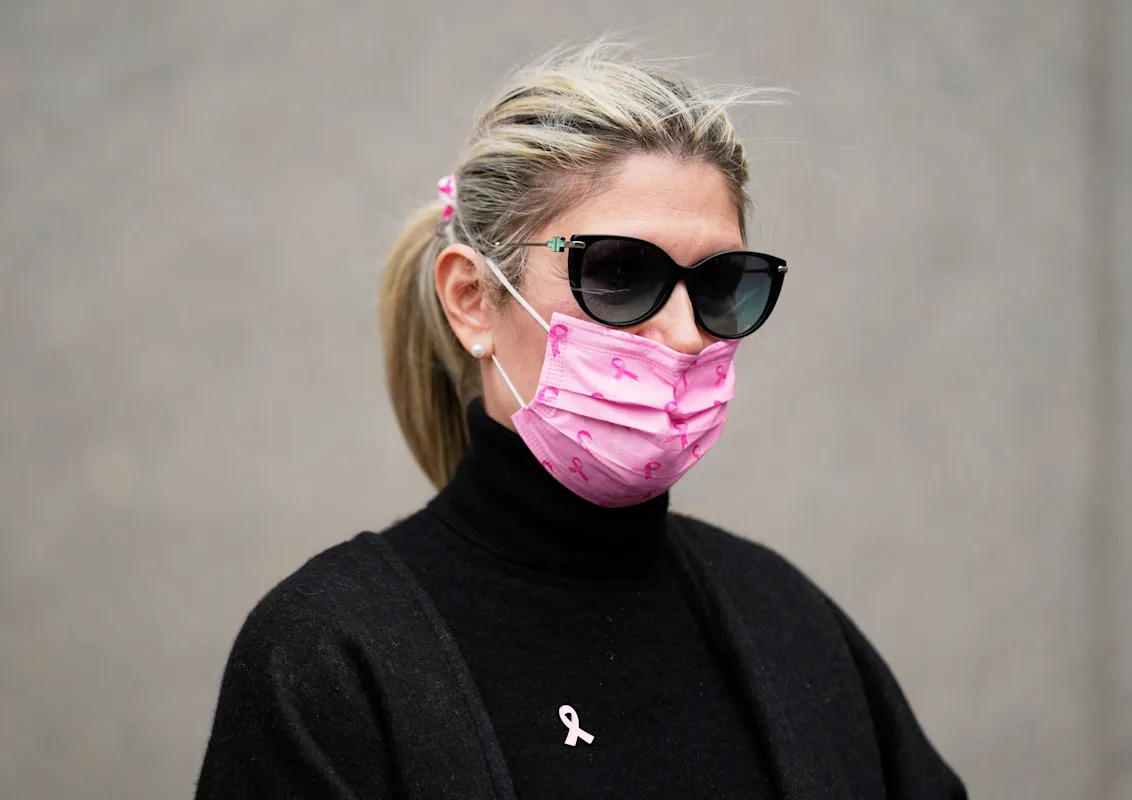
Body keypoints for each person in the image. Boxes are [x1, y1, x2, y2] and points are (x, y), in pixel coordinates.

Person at [196, 41, 966, 799]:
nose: (685, 332)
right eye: (619, 272)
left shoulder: (788, 621)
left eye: (721, 283)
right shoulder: (332, 655)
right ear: (472, 299)